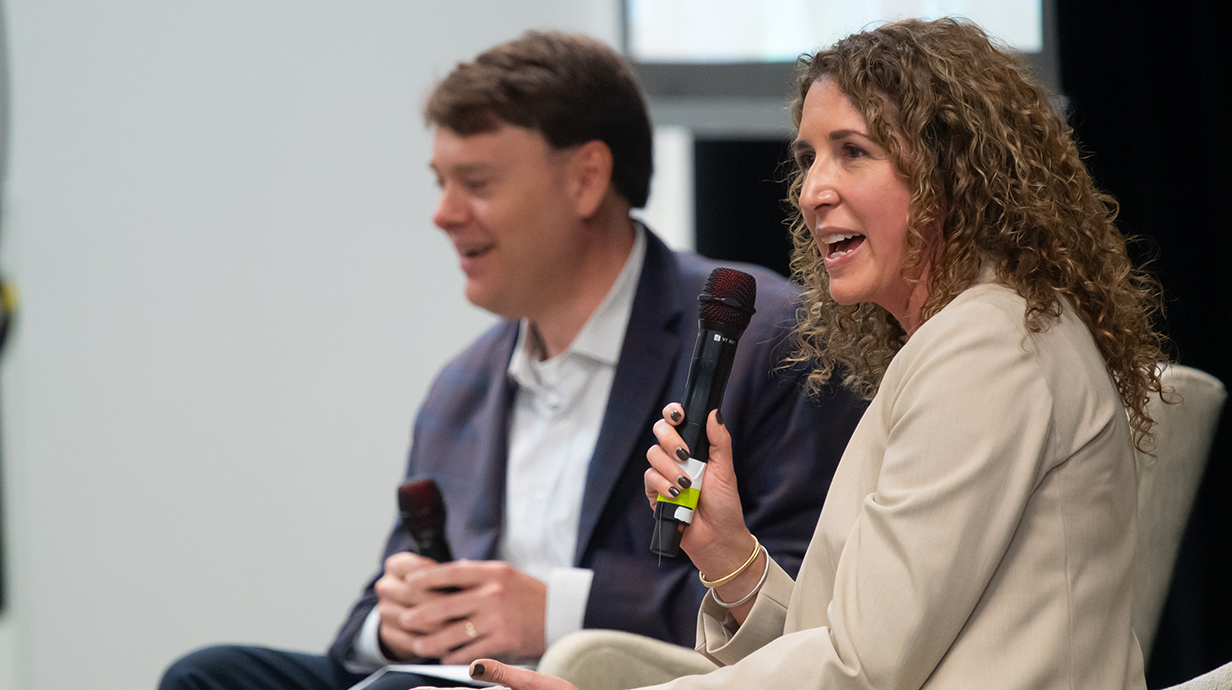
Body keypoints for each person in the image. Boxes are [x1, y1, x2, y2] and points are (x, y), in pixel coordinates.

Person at [448, 17, 1167, 690]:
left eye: (853, 152)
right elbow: (855, 645)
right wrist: (732, 558)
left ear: (954, 170)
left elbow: (859, 670)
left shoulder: (987, 345)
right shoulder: (975, 335)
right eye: (808, 158)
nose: (813, 190)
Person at [159, 31, 865, 690]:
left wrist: (554, 609)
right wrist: (399, 620)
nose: (443, 213)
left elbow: (805, 594)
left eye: (478, 183)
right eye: (440, 182)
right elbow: (363, 623)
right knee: (210, 675)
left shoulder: (759, 339)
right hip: (437, 678)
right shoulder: (460, 387)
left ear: (587, 179)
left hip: (610, 675)